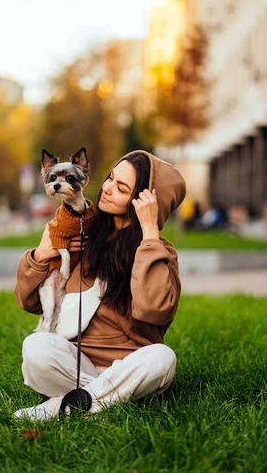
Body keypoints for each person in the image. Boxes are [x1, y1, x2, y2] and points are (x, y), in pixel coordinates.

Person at [13, 150, 186, 421]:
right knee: (35, 347)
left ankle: (59, 406)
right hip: (75, 361)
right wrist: (41, 255)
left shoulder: (159, 251)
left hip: (129, 364)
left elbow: (155, 310)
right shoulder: (84, 234)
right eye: (110, 179)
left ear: (143, 200)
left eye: (121, 188)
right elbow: (29, 302)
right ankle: (101, 399)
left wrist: (150, 233)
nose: (106, 189)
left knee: (163, 359)